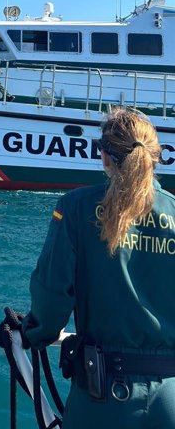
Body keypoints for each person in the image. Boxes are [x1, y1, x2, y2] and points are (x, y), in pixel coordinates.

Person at [21, 107, 175, 428]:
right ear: (155, 154)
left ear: (103, 156)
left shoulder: (75, 208)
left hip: (105, 397)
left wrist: (34, 333)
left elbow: (52, 295)